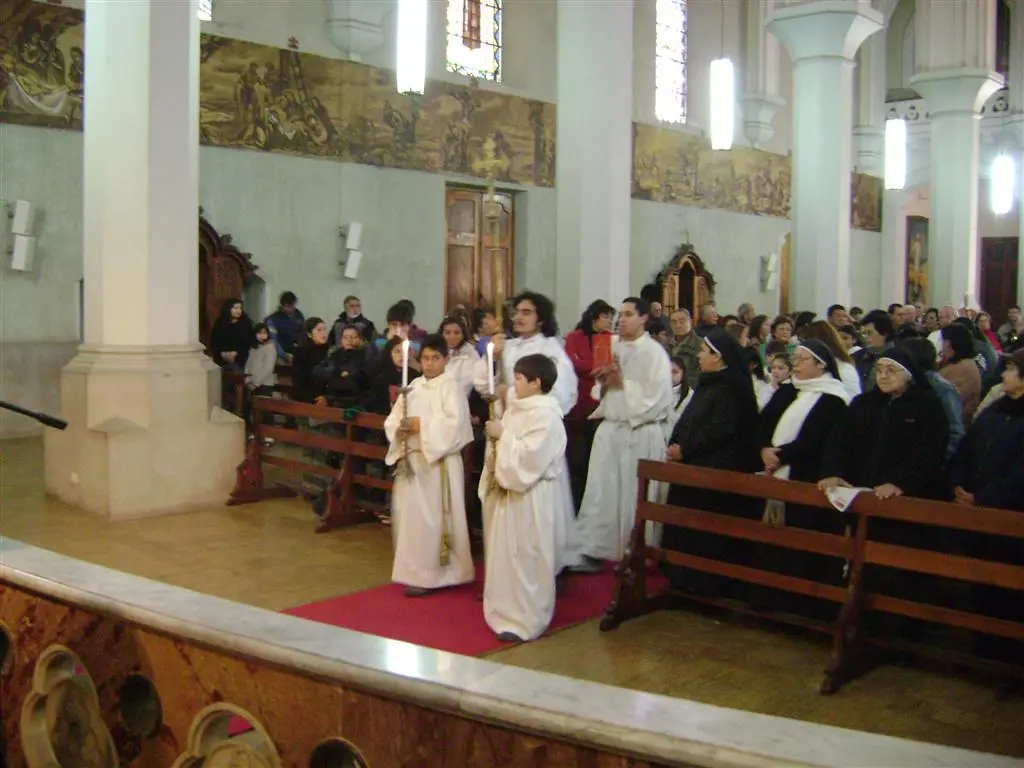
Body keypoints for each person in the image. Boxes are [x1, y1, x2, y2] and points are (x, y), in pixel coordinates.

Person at [473, 292, 583, 574]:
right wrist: (492, 359)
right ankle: (504, 569)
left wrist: (508, 393)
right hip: (503, 430)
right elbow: (484, 387)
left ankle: (546, 568)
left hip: (533, 439)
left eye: (526, 312)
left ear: (541, 318)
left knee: (536, 509)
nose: (518, 317)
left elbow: (561, 393)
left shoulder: (550, 350)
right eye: (516, 312)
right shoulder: (505, 346)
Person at [575, 298, 673, 568]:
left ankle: (635, 551)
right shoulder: (611, 346)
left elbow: (658, 397)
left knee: (632, 494)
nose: (622, 319)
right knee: (601, 492)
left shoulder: (654, 353)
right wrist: (605, 383)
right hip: (611, 429)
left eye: (629, 314)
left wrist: (623, 383)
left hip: (638, 432)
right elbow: (601, 393)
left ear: (644, 318)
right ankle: (597, 547)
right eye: (621, 314)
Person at [661, 330, 760, 596]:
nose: (700, 356)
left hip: (715, 471)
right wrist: (676, 443)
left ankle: (705, 582)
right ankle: (682, 576)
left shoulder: (731, 388)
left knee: (706, 533)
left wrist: (686, 449)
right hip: (693, 465)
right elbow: (688, 419)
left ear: (720, 358)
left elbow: (720, 430)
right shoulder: (709, 383)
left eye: (705, 352)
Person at [480, 354, 567, 643]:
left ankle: (527, 618)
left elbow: (531, 457)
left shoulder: (547, 416)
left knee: (527, 554)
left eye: (518, 378)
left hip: (532, 495)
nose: (513, 383)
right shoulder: (516, 410)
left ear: (536, 382)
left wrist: (502, 437)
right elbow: (502, 451)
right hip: (509, 493)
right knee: (507, 554)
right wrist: (494, 451)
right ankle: (504, 609)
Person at [384, 334, 475, 596]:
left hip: (438, 464)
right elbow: (393, 421)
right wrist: (400, 429)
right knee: (411, 517)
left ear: (446, 359)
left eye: (436, 358)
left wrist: (420, 425)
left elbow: (454, 424)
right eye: (425, 358)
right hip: (413, 460)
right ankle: (413, 570)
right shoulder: (413, 386)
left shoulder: (451, 387)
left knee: (435, 518)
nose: (430, 363)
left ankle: (441, 573)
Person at [210, 297, 255, 370]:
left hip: (242, 360)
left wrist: (236, 353)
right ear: (229, 309)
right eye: (235, 308)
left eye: (240, 308)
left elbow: (250, 342)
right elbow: (214, 342)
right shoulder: (220, 323)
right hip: (222, 360)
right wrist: (223, 353)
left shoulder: (246, 323)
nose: (238, 311)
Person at [265, 291, 305, 361]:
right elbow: (274, 341)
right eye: (287, 306)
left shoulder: (299, 315)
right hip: (280, 355)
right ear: (282, 305)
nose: (290, 309)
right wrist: (284, 355)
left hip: (297, 353)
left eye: (292, 306)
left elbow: (303, 333)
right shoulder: (272, 320)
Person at [669, 309, 702, 390]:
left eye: (682, 321)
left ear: (690, 322)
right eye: (674, 322)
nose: (678, 325)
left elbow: (702, 376)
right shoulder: (664, 345)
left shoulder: (701, 345)